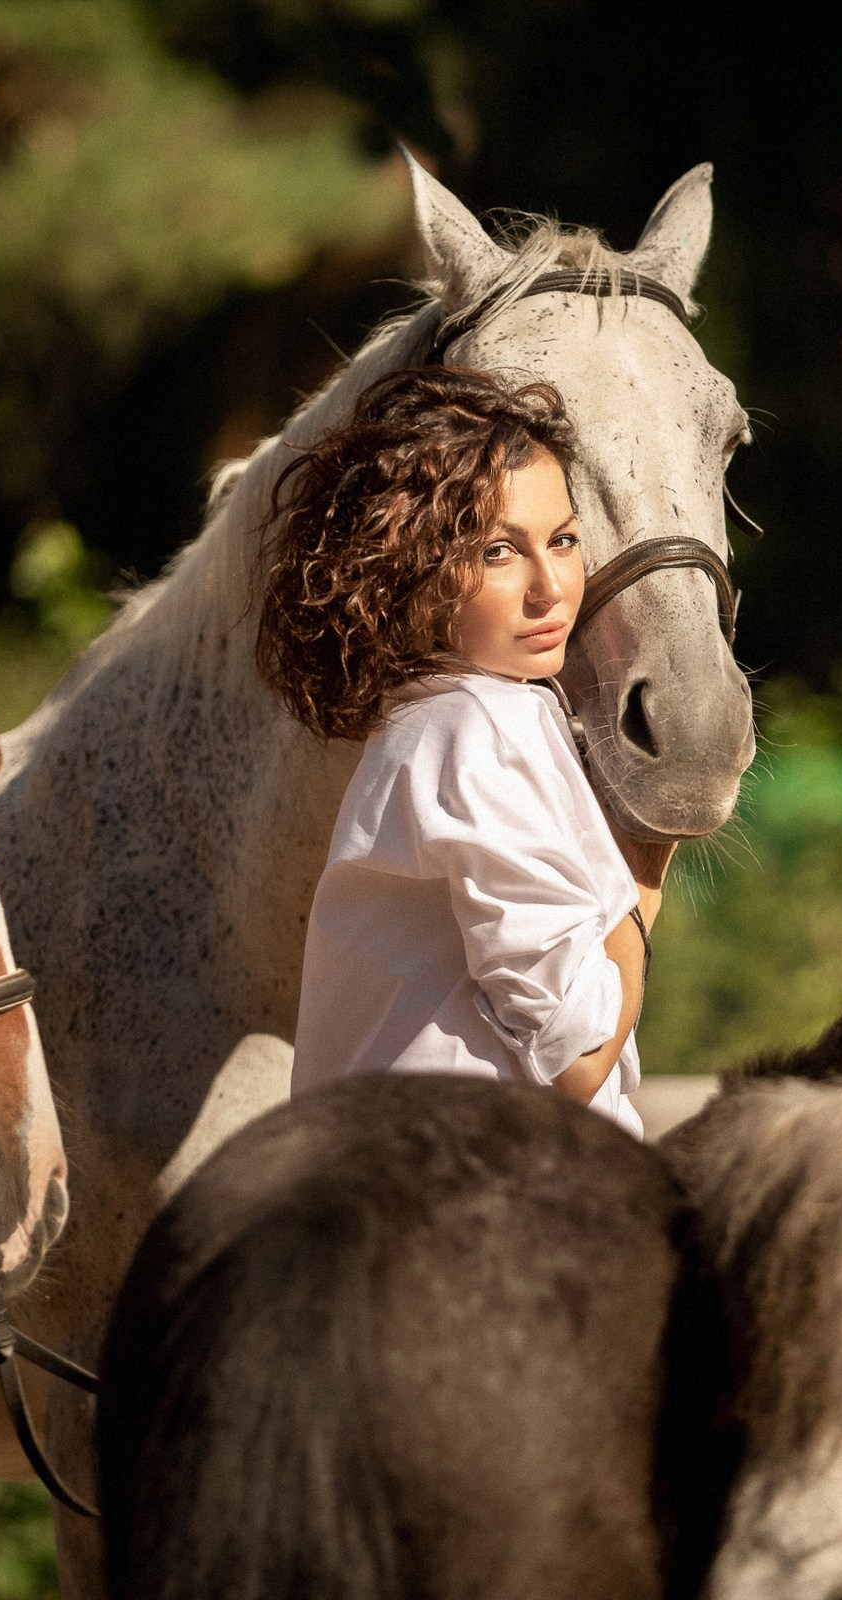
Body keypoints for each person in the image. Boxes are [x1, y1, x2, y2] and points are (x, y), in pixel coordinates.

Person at [260, 365, 669, 1135]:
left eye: (564, 539)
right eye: (498, 553)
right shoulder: (480, 730)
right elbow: (578, 1059)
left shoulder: (434, 722)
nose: (551, 586)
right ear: (411, 572)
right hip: (468, 1203)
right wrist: (642, 881)